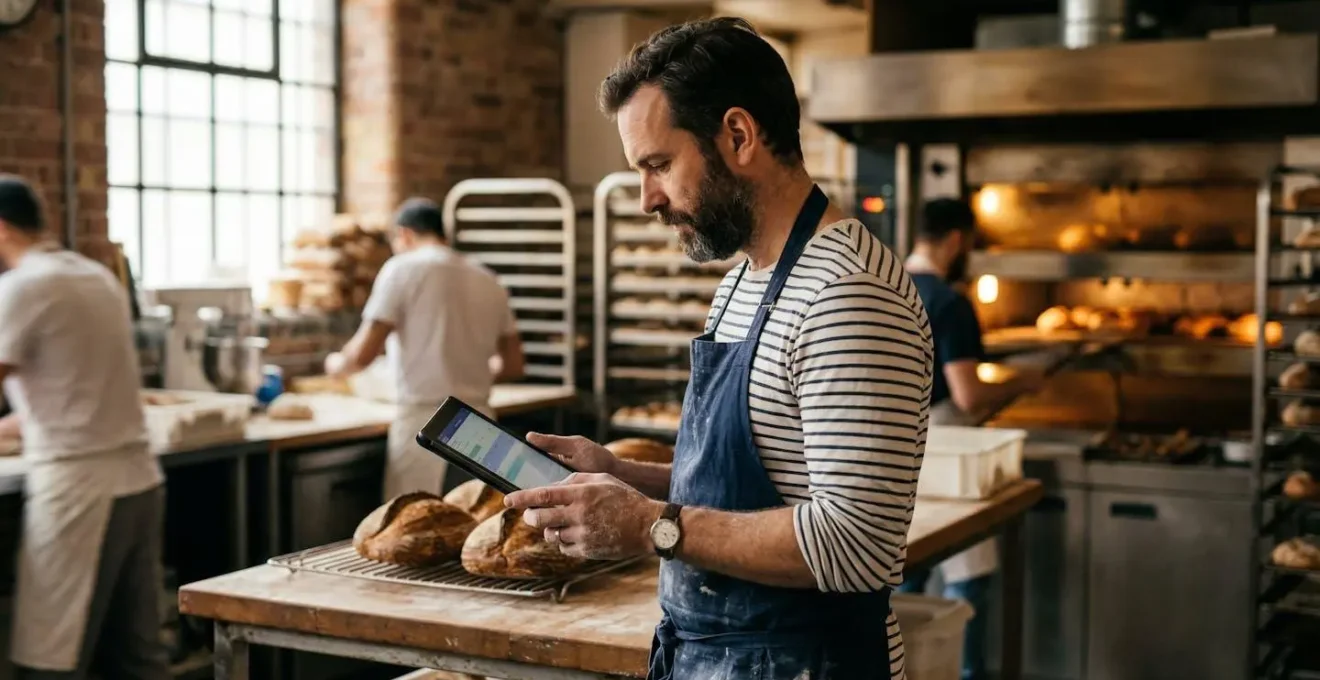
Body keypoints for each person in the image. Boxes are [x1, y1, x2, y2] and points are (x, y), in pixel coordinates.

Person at [505, 18, 933, 680]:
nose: (648, 198)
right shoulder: (745, 278)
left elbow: (857, 546)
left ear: (738, 136)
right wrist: (623, 475)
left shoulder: (846, 292)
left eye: (658, 165)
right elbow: (752, 481)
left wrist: (652, 525)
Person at [0, 175, 169, 679]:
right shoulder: (95, 276)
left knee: (50, 660)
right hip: (139, 481)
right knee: (137, 658)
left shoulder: (24, 286)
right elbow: (77, 392)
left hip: (79, 492)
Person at [900, 197, 1045, 680]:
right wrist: (1023, 382)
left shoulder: (883, 288)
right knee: (969, 585)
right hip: (948, 457)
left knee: (905, 584)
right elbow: (968, 397)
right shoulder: (949, 302)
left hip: (892, 457)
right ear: (958, 240)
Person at [327, 197, 525, 500]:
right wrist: (466, 376)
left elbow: (362, 355)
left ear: (404, 234)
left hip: (425, 422)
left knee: (416, 531)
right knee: (477, 531)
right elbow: (513, 365)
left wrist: (335, 366)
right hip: (481, 424)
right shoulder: (489, 279)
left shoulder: (401, 269)